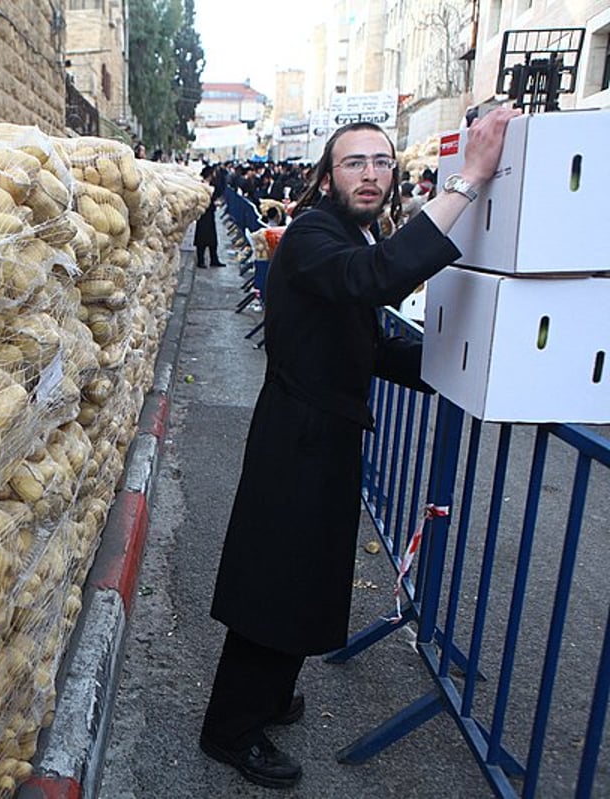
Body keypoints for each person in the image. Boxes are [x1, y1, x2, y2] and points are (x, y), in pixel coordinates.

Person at [198, 107, 519, 790]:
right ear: (327, 177)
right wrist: (470, 180)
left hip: (325, 434)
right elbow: (374, 281)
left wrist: (452, 364)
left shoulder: (345, 233)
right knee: (276, 585)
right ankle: (230, 728)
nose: (370, 174)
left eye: (381, 162)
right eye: (354, 162)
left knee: (303, 578)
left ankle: (270, 694)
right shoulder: (316, 234)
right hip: (298, 436)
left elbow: (367, 339)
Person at [194, 164, 225, 268]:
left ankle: (214, 259)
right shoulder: (202, 185)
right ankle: (201, 260)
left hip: (209, 214)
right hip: (203, 214)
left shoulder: (211, 185)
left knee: (212, 239)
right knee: (202, 239)